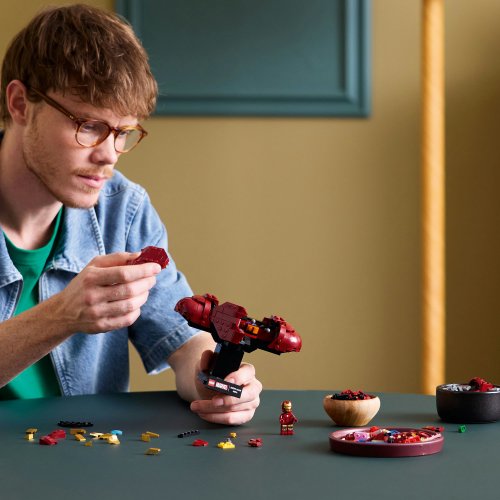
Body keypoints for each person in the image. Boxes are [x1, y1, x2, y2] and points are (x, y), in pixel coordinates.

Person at [0, 4, 261, 425]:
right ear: (20, 104)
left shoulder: (124, 210)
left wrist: (217, 383)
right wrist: (60, 317)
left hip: (83, 457)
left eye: (122, 133)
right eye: (88, 126)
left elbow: (183, 344)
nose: (109, 155)